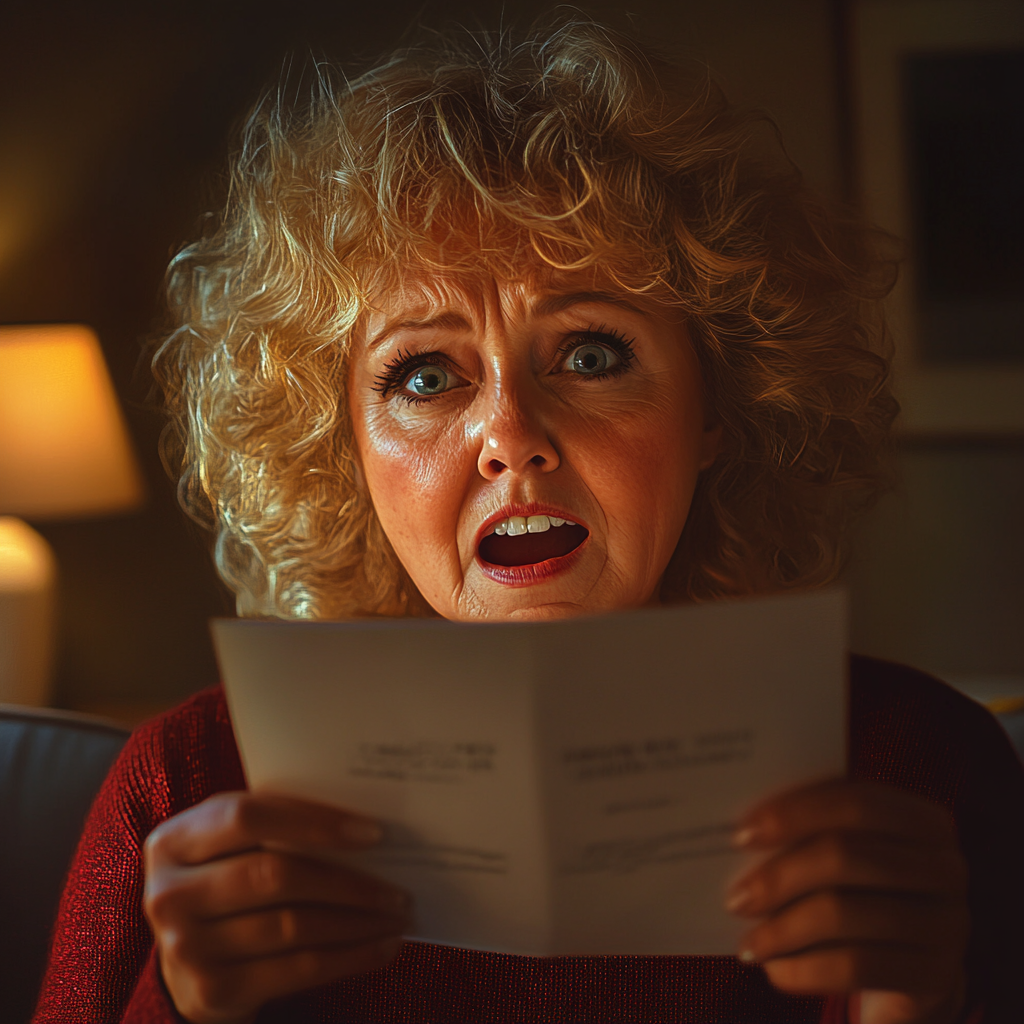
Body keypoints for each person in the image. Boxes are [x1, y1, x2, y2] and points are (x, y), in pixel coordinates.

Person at [32, 19, 1024, 1024]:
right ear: (345, 450)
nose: (510, 435)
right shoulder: (190, 785)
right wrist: (182, 1007)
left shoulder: (915, 766)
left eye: (590, 355)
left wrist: (918, 1004)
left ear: (717, 410)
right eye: (425, 375)